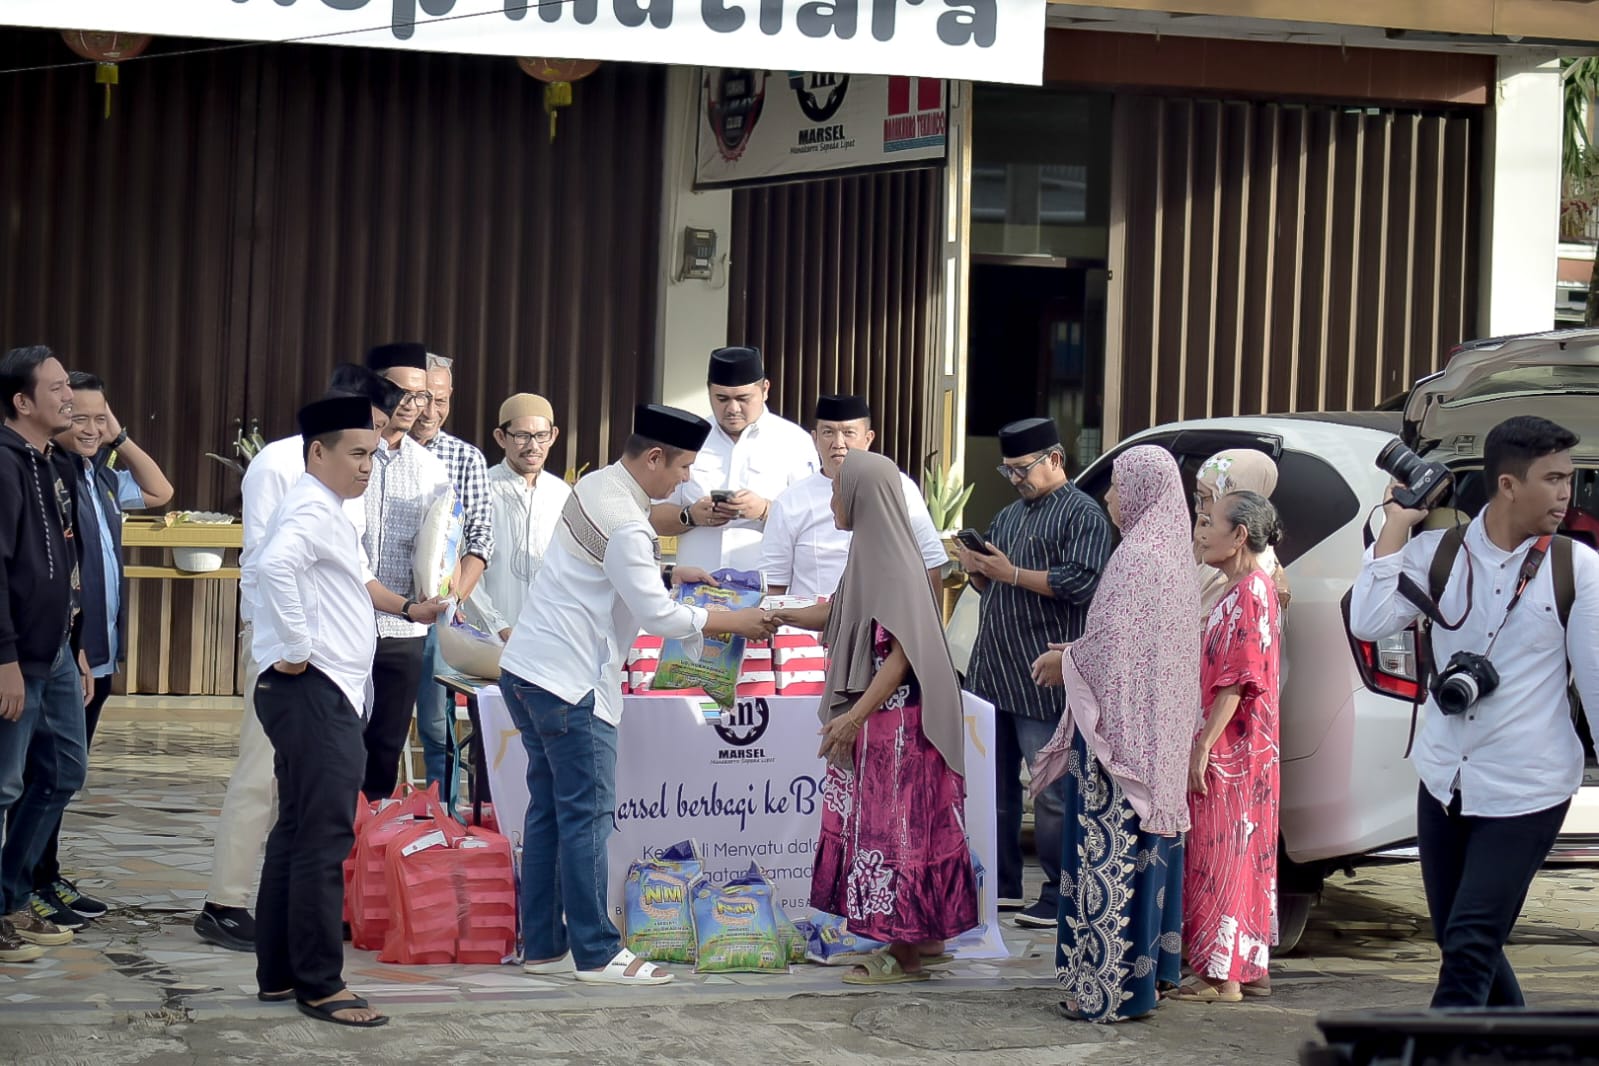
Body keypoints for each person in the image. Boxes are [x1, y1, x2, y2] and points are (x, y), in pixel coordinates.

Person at [498, 404, 775, 986]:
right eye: (682, 467)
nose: (686, 480)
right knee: (587, 818)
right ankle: (598, 953)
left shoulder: (595, 484)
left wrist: (672, 576)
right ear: (653, 458)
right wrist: (732, 621)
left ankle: (544, 946)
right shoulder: (628, 523)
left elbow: (606, 574)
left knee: (549, 811)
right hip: (572, 684)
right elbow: (657, 616)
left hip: (527, 670)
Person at [1350, 416, 1598, 1008]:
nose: (1566, 494)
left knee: (1469, 944)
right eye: (1553, 479)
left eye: (1569, 478)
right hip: (1444, 780)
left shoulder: (1578, 569)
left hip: (1528, 788)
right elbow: (1368, 620)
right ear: (1508, 485)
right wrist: (1396, 526)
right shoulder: (1437, 553)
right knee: (1461, 941)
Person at [194, 365, 441, 952]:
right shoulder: (281, 465)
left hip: (333, 663)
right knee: (261, 776)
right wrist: (293, 647)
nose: (375, 447)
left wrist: (409, 608)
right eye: (371, 428)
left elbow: (355, 570)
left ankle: (290, 920)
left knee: (303, 797)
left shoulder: (352, 472)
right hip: (290, 657)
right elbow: (267, 563)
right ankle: (224, 902)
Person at [769, 450, 976, 985]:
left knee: (895, 832)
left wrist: (852, 719)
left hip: (899, 726)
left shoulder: (889, 559)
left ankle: (902, 954)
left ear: (862, 496)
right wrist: (777, 614)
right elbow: (841, 613)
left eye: (838, 492)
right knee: (909, 830)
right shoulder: (873, 549)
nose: (831, 502)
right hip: (889, 722)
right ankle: (926, 940)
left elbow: (901, 655)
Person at [1028, 445, 1200, 1023]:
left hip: (1118, 742)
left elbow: (1113, 651)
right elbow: (1131, 645)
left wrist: (1067, 662)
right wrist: (1080, 651)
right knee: (1148, 858)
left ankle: (1101, 990)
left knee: (1108, 856)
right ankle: (1145, 984)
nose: (1109, 498)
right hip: (1157, 738)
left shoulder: (1136, 558)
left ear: (1143, 492)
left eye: (1119, 487)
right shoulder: (1173, 554)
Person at [248, 393, 387, 1027]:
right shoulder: (309, 506)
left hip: (318, 690)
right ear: (317, 452)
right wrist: (298, 647)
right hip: (313, 688)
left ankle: (279, 973)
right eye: (356, 453)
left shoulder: (325, 507)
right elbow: (274, 566)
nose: (366, 467)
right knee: (324, 835)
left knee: (298, 828)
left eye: (372, 455)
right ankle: (320, 983)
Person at [21, 372, 172, 931]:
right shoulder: (49, 475)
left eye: (98, 417)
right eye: (78, 416)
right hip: (69, 654)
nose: (89, 428)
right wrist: (75, 644)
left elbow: (160, 492)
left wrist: (119, 437)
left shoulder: (99, 476)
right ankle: (29, 882)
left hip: (99, 654)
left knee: (64, 774)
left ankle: (46, 872)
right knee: (47, 774)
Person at [954, 417, 1112, 927]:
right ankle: (1000, 885)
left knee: (1052, 791)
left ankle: (1058, 893)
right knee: (993, 788)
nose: (1016, 479)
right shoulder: (1008, 516)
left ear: (1055, 459)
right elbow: (997, 586)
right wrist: (981, 573)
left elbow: (1083, 583)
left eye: (1023, 469)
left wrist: (1013, 573)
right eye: (1008, 471)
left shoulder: (1083, 514)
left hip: (1045, 673)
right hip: (994, 670)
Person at [0, 345, 90, 963]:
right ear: (22, 401)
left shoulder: (52, 462)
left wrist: (76, 643)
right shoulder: (4, 464)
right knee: (4, 787)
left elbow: (67, 562)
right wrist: (4, 658)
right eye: (56, 388)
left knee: (63, 772)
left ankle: (11, 898)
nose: (69, 397)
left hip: (56, 651)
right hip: (16, 659)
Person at [1180, 490, 1284, 1003]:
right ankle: (1245, 967)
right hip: (1246, 747)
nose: (1199, 532)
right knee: (1243, 854)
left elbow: (1238, 681)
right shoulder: (1245, 587)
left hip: (1232, 749)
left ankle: (1220, 977)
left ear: (1239, 535)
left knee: (1219, 853)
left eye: (1207, 522)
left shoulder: (1249, 592)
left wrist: (1202, 747)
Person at [361, 342, 452, 800]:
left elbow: (442, 547)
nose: (410, 405)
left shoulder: (431, 469)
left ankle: (369, 839)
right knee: (337, 745)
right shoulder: (348, 455)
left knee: (384, 748)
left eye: (420, 396)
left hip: (404, 628)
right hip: (345, 621)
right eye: (399, 392)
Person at [759, 394, 946, 599]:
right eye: (828, 432)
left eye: (849, 433)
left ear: (868, 438)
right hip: (812, 616)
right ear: (815, 438)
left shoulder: (900, 489)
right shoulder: (790, 501)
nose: (838, 443)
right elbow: (773, 584)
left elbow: (930, 564)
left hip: (883, 616)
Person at [649, 346, 818, 572]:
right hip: (696, 585)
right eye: (722, 399)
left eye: (743, 398)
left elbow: (815, 521)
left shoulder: (794, 442)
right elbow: (651, 515)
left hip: (765, 585)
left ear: (765, 390)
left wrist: (766, 510)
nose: (732, 408)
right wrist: (691, 515)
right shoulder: (686, 439)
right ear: (709, 391)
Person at [410, 353, 493, 793]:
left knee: (437, 726)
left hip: (439, 616)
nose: (430, 411)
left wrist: (453, 598)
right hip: (381, 612)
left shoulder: (466, 458)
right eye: (422, 398)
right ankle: (370, 816)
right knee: (372, 720)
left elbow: (481, 539)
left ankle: (440, 813)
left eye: (440, 400)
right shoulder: (379, 452)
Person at [464, 393, 571, 640]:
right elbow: (464, 567)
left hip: (549, 636)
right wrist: (498, 626)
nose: (533, 446)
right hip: (488, 637)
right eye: (522, 436)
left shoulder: (563, 495)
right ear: (501, 437)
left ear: (553, 435)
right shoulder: (481, 488)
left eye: (541, 435)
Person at [1193, 450, 1290, 615]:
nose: (1198, 508)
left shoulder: (1244, 577)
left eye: (1205, 498)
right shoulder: (1216, 550)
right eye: (1197, 498)